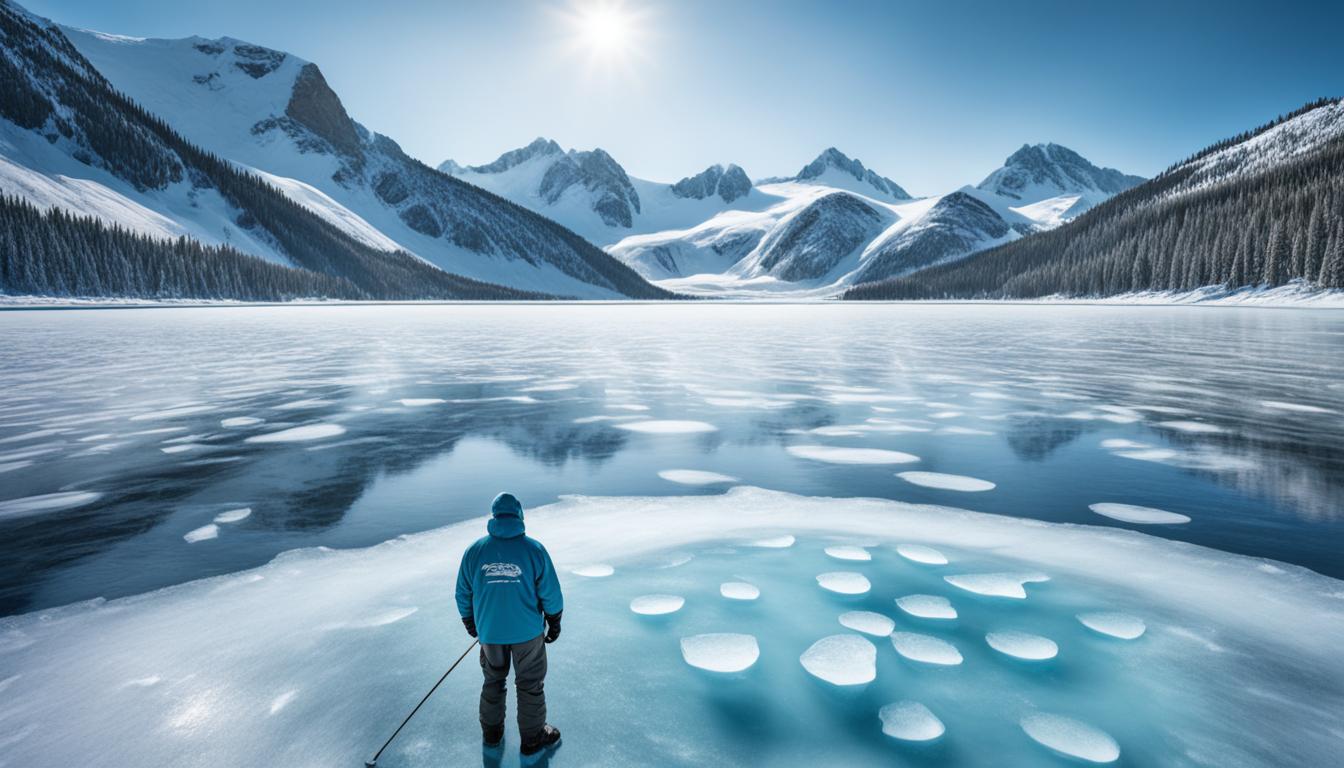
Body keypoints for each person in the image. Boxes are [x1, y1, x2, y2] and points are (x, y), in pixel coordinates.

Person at [456, 493, 564, 756]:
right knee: (529, 684)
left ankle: (492, 735)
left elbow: (463, 593)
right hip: (527, 633)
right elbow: (551, 592)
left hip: (490, 633)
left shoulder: (474, 551)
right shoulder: (534, 550)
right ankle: (532, 739)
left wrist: (470, 621)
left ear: (494, 516)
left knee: (493, 681)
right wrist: (554, 620)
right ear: (519, 516)